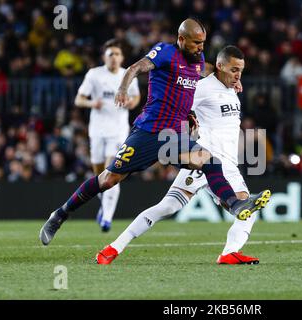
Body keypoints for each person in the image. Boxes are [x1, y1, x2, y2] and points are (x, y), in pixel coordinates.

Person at [39, 18, 270, 246]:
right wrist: (122, 88)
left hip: (174, 139)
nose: (201, 48)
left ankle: (235, 203)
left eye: (203, 43)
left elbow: (207, 69)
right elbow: (135, 68)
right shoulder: (165, 52)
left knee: (210, 162)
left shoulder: (198, 59)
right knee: (109, 180)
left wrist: (228, 80)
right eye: (196, 43)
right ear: (181, 39)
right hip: (149, 132)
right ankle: (59, 214)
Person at [96, 46, 261, 265]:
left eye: (240, 70)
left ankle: (112, 248)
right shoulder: (202, 88)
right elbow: (179, 106)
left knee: (168, 207)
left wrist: (231, 81)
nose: (238, 75)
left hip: (219, 163)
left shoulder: (232, 89)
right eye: (233, 70)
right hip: (209, 161)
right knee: (244, 208)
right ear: (220, 67)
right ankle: (229, 252)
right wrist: (181, 135)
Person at [74, 39, 140, 232]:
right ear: (104, 57)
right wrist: (91, 104)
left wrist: (131, 103)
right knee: (98, 175)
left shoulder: (127, 75)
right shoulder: (94, 75)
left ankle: (107, 219)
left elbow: (136, 96)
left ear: (122, 57)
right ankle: (104, 208)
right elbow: (79, 99)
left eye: (117, 54)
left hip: (118, 131)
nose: (114, 58)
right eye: (110, 54)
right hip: (97, 130)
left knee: (112, 170)